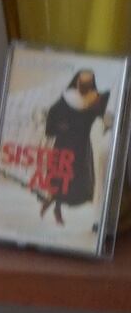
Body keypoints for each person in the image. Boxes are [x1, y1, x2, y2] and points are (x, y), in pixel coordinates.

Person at [37, 67, 111, 229]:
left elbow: (105, 108)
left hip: (81, 148)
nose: (84, 86)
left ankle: (54, 207)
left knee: (72, 182)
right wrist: (59, 127)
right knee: (59, 178)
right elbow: (52, 120)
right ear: (77, 82)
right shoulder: (66, 98)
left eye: (87, 84)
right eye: (82, 83)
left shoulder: (94, 100)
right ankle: (53, 206)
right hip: (64, 145)